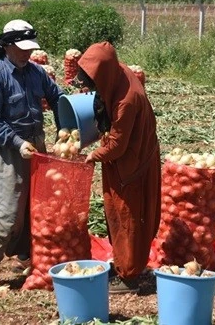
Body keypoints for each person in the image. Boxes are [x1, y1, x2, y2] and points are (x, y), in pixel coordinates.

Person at [0, 19, 64, 290]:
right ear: (7, 45)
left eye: (30, 49)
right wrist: (17, 142)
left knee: (33, 207)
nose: (28, 53)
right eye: (22, 49)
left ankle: (25, 256)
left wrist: (66, 128)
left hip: (37, 148)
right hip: (8, 152)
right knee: (6, 210)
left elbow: (58, 97)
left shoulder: (36, 73)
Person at [76, 41, 161, 294]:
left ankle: (129, 276)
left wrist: (92, 155)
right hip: (126, 161)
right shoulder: (118, 72)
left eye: (92, 81)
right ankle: (124, 263)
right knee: (118, 215)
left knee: (128, 217)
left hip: (131, 164)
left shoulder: (126, 102)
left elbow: (117, 146)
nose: (89, 86)